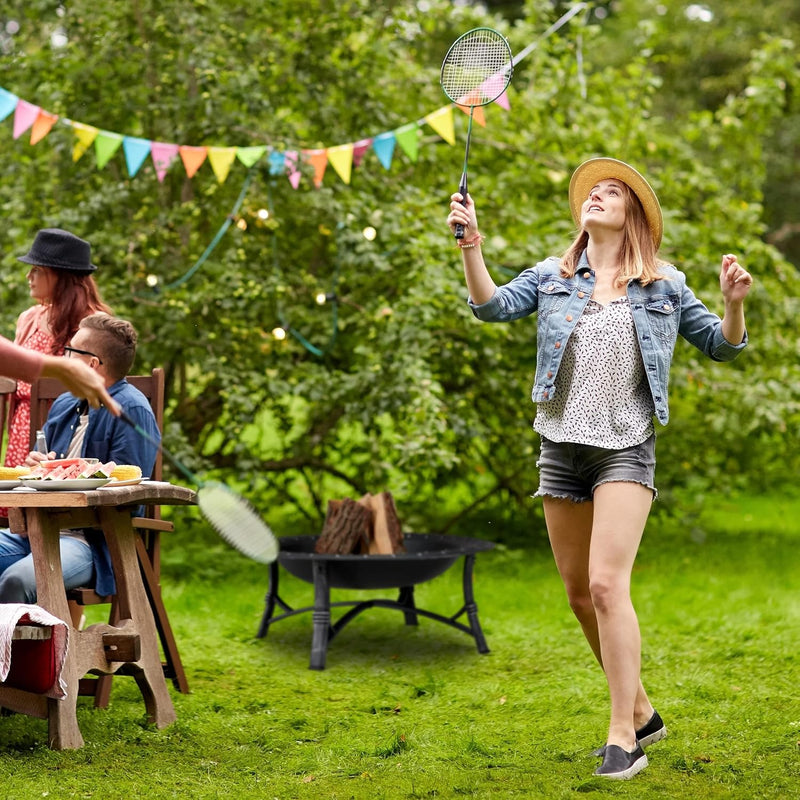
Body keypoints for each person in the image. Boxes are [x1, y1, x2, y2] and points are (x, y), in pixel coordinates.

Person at [446, 157, 752, 780]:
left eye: (612, 192)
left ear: (632, 215)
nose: (598, 197)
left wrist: (733, 305)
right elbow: (490, 308)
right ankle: (641, 709)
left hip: (625, 445)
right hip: (560, 445)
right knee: (580, 595)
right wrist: (471, 245)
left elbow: (722, 346)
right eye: (593, 192)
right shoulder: (552, 277)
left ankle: (622, 736)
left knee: (609, 586)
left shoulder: (664, 283)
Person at [0, 313, 159, 604]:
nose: (63, 356)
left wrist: (76, 476)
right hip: (35, 532)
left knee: (15, 581)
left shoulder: (131, 409)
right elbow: (44, 468)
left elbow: (131, 494)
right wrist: (38, 467)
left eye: (70, 351)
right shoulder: (65, 403)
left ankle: (26, 651)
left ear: (92, 363)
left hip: (91, 543)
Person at [3, 228, 111, 470]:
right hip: (21, 434)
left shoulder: (94, 324)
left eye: (37, 270)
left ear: (62, 276)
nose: (28, 276)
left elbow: (105, 385)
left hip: (67, 438)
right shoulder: (28, 319)